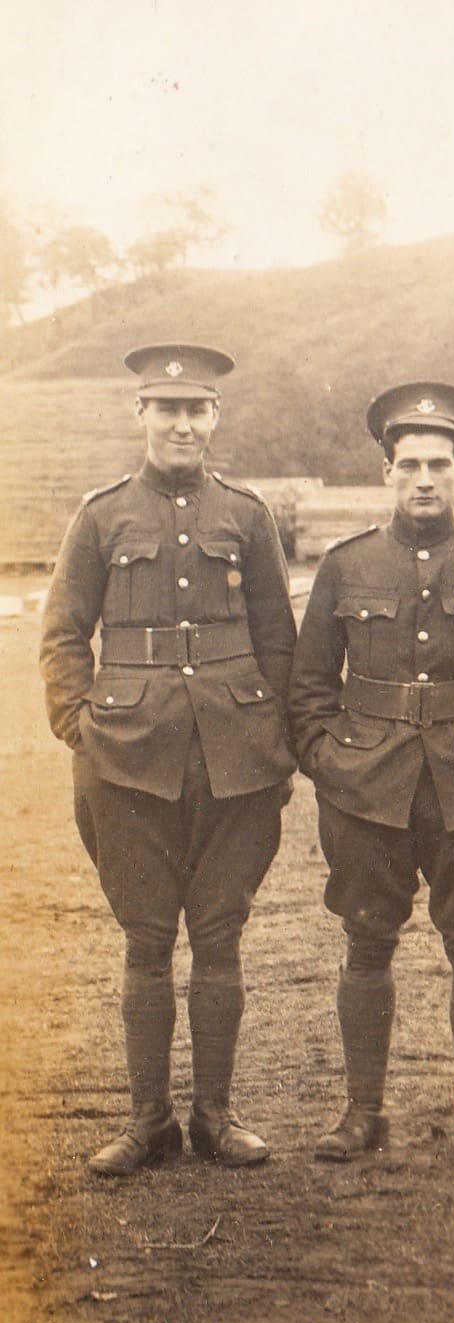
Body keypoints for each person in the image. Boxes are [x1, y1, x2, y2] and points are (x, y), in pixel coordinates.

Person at [40, 344, 297, 1175]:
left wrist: (277, 739)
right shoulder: (102, 514)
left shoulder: (247, 516)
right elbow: (62, 633)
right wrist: (80, 725)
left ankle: (215, 1118)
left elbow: (277, 639)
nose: (182, 423)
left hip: (236, 758)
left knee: (219, 936)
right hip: (126, 761)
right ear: (140, 415)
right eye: (166, 409)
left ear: (214, 418)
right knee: (146, 939)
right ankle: (147, 1122)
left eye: (196, 410)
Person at [289, 382, 454, 1180]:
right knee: (366, 939)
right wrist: (332, 767)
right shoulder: (345, 564)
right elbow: (306, 692)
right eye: (409, 464)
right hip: (366, 786)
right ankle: (361, 1113)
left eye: (440, 463)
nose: (425, 478)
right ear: (386, 471)